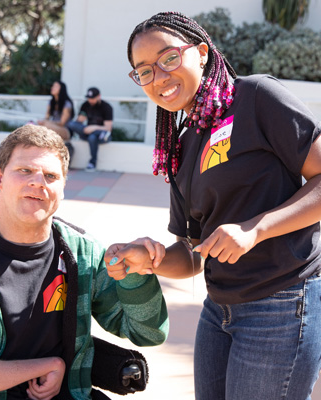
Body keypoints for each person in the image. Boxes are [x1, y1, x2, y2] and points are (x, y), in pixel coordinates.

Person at [105, 11, 321, 400]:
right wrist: (149, 258)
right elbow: (192, 254)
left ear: (201, 53)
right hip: (218, 310)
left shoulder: (256, 97)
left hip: (281, 302)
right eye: (145, 71)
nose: (159, 77)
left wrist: (256, 229)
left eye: (169, 58)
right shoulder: (181, 145)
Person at [0, 124, 168, 400]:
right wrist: (49, 365)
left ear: (63, 187)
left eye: (50, 175)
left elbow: (149, 333)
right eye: (25, 171)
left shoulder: (81, 253)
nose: (38, 182)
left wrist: (135, 276)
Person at [68, 87, 113, 172]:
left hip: (102, 135)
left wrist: (93, 128)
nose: (90, 100)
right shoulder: (85, 105)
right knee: (71, 124)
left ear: (99, 96)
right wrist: (83, 125)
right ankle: (97, 133)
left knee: (92, 137)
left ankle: (92, 163)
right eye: (89, 98)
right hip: (86, 132)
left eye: (92, 98)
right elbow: (79, 121)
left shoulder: (106, 107)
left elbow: (108, 128)